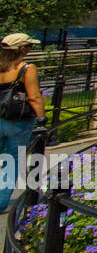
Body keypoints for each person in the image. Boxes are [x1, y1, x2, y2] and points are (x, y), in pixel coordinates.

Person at [0, 34, 45, 213]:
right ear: (22, 49)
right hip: (18, 121)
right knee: (11, 162)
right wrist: (42, 121)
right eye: (28, 47)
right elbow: (34, 97)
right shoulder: (26, 68)